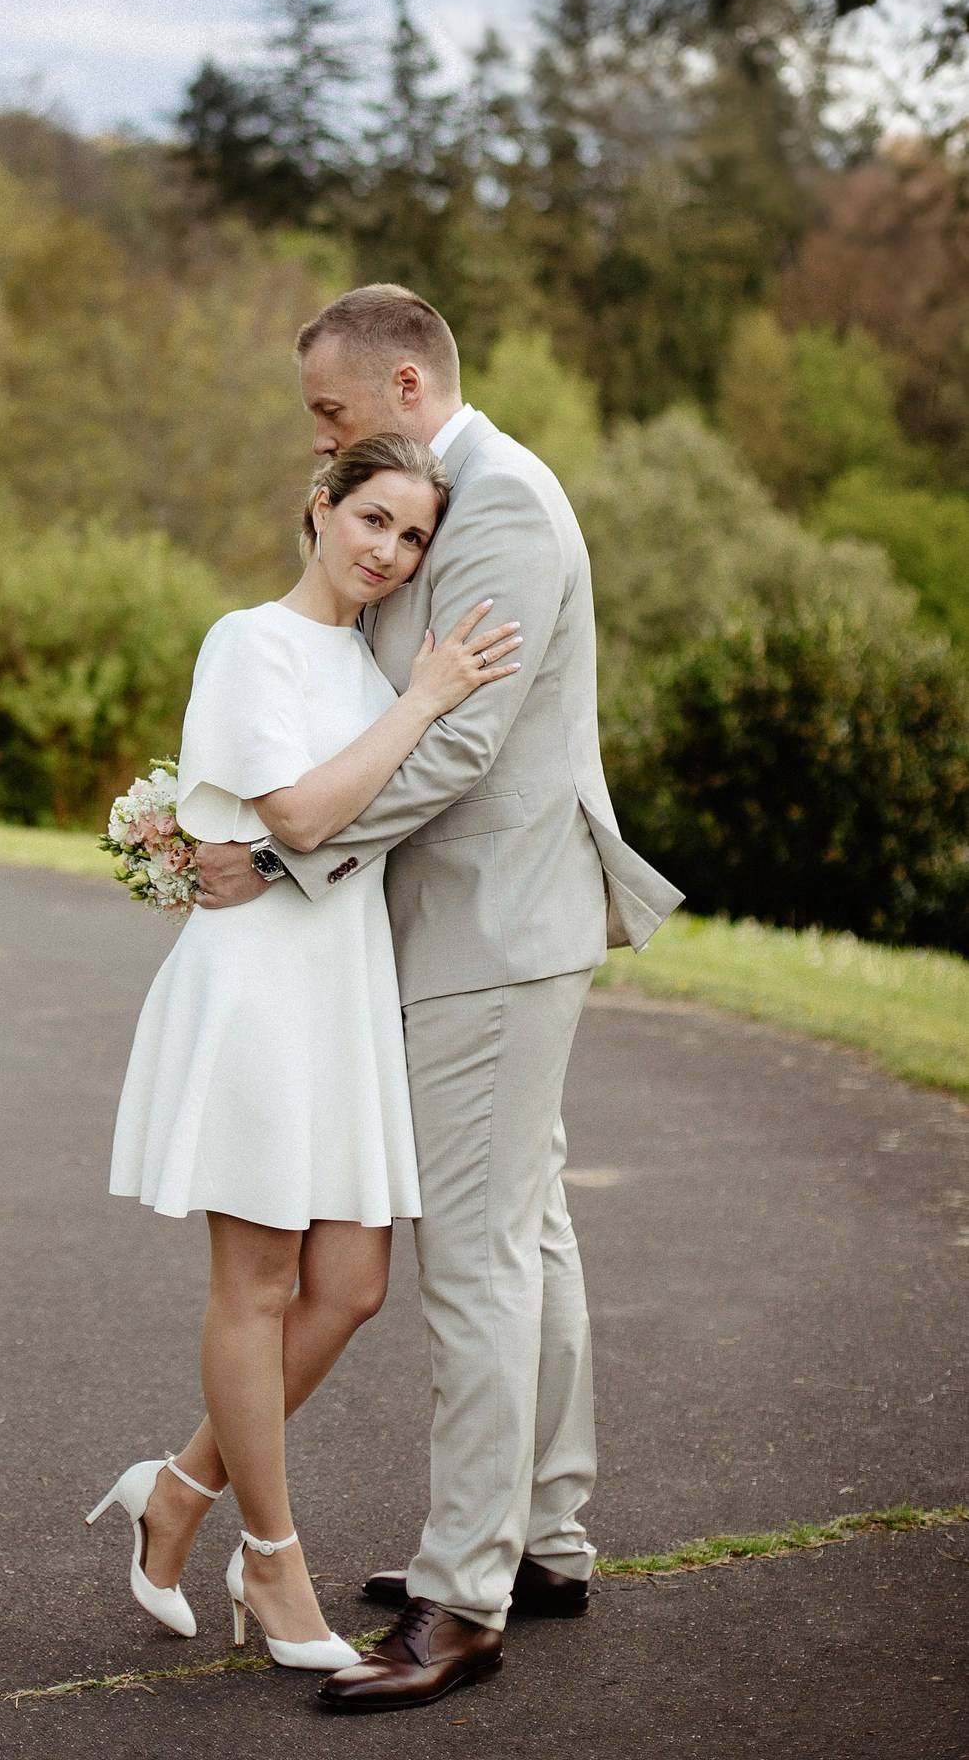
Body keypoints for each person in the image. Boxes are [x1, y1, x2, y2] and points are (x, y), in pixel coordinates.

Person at [193, 284, 684, 1714]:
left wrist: (282, 854)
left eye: (330, 409)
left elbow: (460, 746)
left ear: (404, 383)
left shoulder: (506, 503)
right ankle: (543, 1538)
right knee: (527, 1229)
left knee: (475, 1256)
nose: (320, 437)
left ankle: (463, 1598)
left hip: (493, 923)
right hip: (485, 924)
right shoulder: (446, 495)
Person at [88, 431, 523, 1672]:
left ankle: (179, 1488)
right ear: (321, 507)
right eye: (373, 518)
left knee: (352, 1285)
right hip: (260, 990)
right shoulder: (249, 642)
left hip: (341, 989)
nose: (390, 550)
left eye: (413, 536)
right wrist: (427, 700)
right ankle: (272, 1561)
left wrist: (413, 694)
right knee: (261, 1283)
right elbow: (300, 813)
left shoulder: (372, 659)